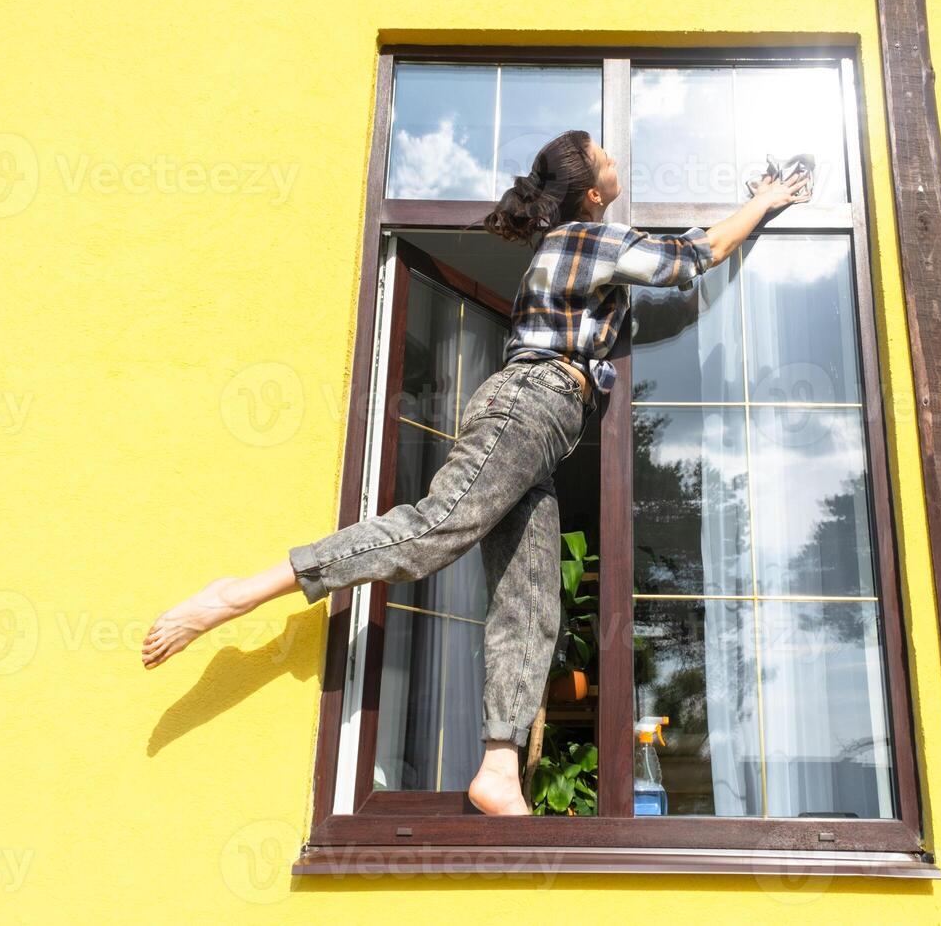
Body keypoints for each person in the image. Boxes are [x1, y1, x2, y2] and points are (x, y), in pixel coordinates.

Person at [140, 128, 811, 815]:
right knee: (436, 529)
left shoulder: (587, 250)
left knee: (531, 602)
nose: (618, 162)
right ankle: (241, 593)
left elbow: (674, 273)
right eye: (608, 158)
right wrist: (763, 201)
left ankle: (498, 769)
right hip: (531, 405)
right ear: (589, 190)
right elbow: (696, 255)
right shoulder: (585, 240)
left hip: (545, 430)